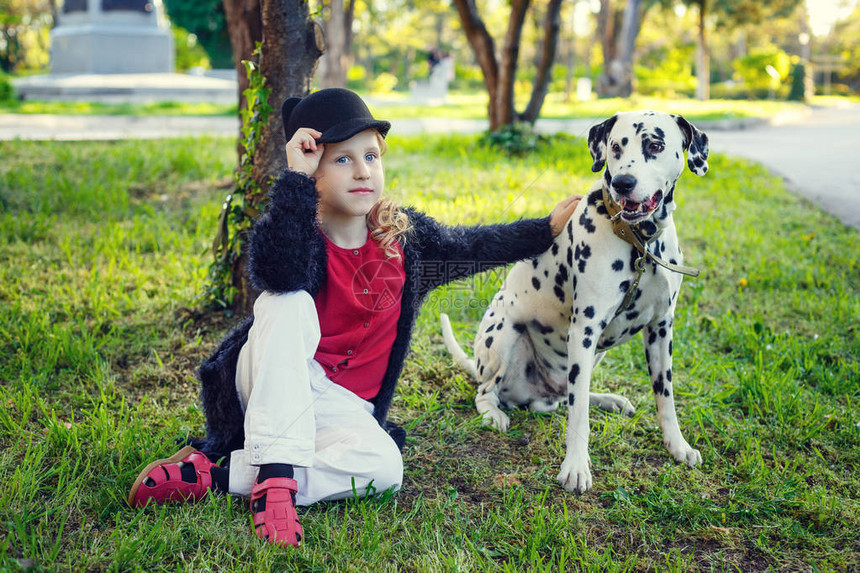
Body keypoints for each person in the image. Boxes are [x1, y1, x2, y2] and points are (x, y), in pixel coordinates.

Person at [127, 88, 580, 548]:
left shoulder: (405, 240)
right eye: (342, 160)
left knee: (385, 468)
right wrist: (293, 182)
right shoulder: (301, 235)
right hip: (276, 378)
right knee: (287, 300)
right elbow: (277, 271)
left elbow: (474, 245)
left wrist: (543, 230)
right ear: (312, 169)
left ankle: (223, 479)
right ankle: (277, 484)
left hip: (344, 409)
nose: (363, 170)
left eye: (370, 156)